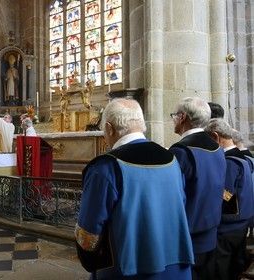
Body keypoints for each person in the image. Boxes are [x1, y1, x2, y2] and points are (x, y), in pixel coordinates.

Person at [75, 98, 194, 279]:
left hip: (127, 270)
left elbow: (89, 231)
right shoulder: (171, 159)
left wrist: (90, 262)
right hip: (176, 266)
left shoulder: (106, 167)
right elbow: (181, 204)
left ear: (109, 128)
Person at [169, 97, 227, 280]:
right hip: (211, 233)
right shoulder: (217, 148)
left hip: (188, 238)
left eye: (174, 116)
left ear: (183, 117)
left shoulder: (181, 151)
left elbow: (172, 199)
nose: (173, 119)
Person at [205, 118, 254, 280]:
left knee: (221, 270)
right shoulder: (242, 157)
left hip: (228, 226)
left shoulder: (230, 161)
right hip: (241, 223)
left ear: (216, 137)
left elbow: (226, 194)